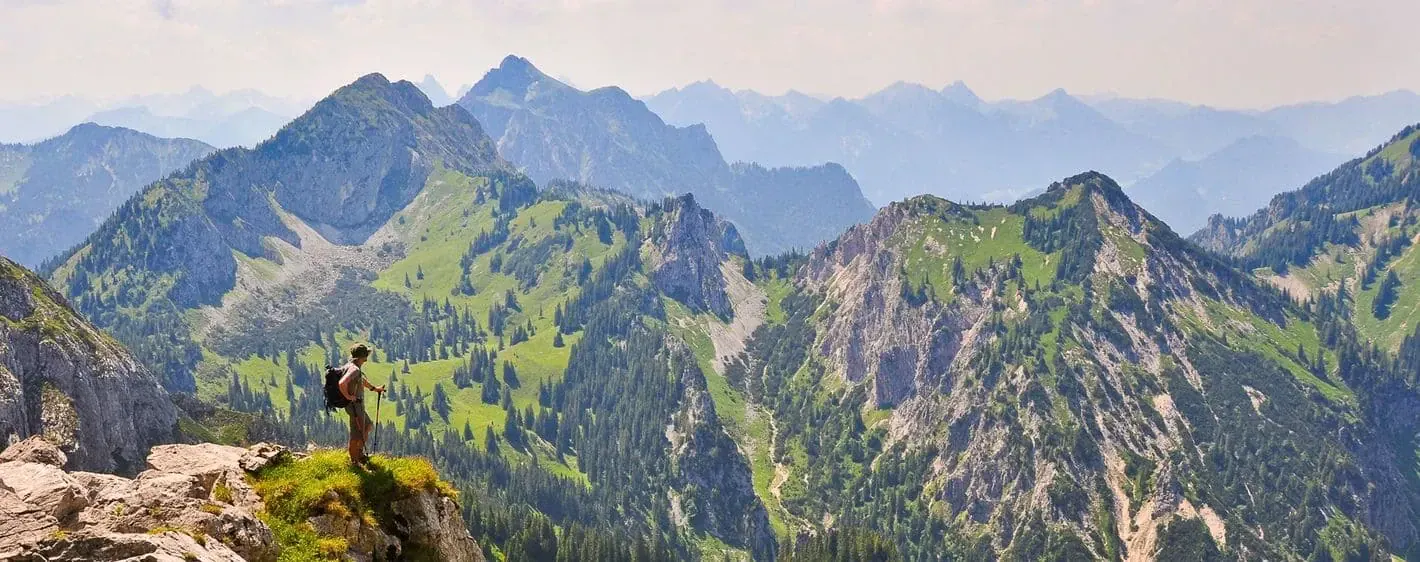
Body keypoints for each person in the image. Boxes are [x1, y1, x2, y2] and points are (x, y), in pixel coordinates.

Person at [340, 343, 385, 466]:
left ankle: (359, 454)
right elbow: (342, 383)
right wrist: (350, 397)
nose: (367, 358)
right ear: (363, 357)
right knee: (357, 433)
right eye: (366, 355)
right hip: (355, 406)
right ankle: (354, 461)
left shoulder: (352, 367)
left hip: (355, 406)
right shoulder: (354, 369)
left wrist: (374, 388)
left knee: (367, 426)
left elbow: (360, 380)